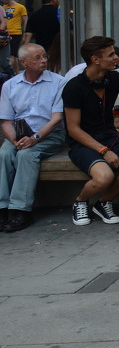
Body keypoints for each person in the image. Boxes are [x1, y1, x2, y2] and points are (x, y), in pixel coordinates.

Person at [60, 36, 119, 226]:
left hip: (109, 135)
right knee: (104, 177)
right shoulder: (74, 87)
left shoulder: (113, 78)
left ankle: (104, 202)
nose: (116, 58)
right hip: (84, 141)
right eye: (111, 55)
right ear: (96, 59)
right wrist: (103, 151)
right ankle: (80, 201)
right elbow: (73, 130)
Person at [0, 44, 66, 232]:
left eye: (44, 56)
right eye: (37, 58)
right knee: (5, 153)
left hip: (49, 134)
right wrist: (14, 140)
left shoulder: (58, 82)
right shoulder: (10, 85)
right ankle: (2, 208)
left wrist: (35, 138)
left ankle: (21, 210)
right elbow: (5, 121)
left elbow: (57, 119)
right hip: (19, 134)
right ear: (23, 63)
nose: (43, 60)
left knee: (26, 155)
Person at [23, 0, 60, 72]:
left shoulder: (34, 15)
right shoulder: (59, 13)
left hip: (42, 51)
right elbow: (71, 30)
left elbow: (28, 35)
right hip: (59, 50)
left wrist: (25, 52)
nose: (58, 1)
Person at [1, 0, 28, 76]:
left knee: (12, 54)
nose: (2, 1)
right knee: (13, 56)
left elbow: (25, 21)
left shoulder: (20, 7)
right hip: (5, 33)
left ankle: (7, 73)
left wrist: (24, 34)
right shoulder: (3, 7)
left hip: (15, 33)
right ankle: (16, 73)